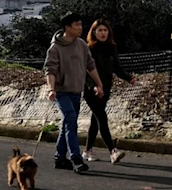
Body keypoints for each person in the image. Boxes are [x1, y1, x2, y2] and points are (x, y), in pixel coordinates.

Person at [44, 12, 105, 174]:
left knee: (67, 124)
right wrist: (51, 89)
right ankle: (76, 159)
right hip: (60, 92)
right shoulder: (55, 48)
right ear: (67, 27)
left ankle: (59, 158)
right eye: (76, 25)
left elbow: (90, 66)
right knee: (71, 119)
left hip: (76, 91)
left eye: (80, 24)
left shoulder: (82, 45)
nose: (80, 28)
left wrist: (99, 85)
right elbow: (49, 70)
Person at [82, 19, 135, 164]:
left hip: (105, 88)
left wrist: (128, 78)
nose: (103, 33)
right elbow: (85, 71)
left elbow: (116, 67)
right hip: (90, 90)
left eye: (105, 30)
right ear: (93, 32)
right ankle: (113, 151)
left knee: (96, 119)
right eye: (100, 30)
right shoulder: (88, 49)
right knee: (102, 117)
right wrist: (93, 86)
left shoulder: (111, 48)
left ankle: (87, 151)